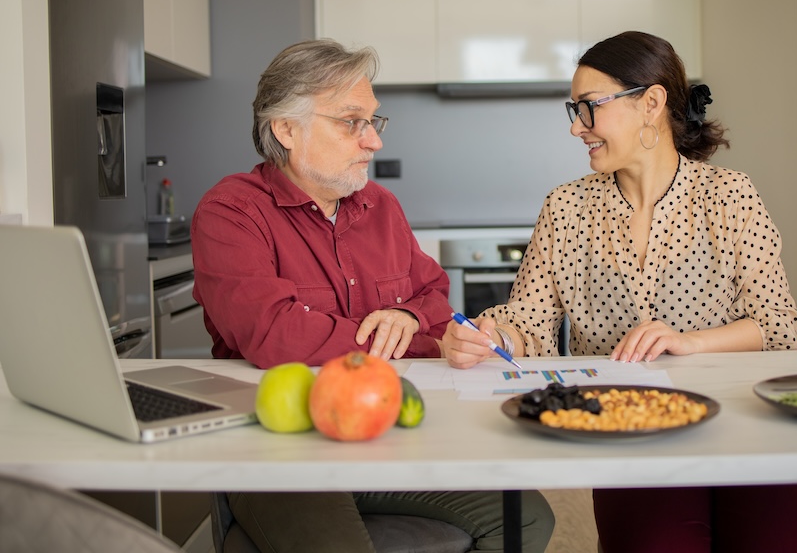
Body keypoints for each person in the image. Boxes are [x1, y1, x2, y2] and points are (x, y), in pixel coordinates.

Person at [440, 31, 797, 553]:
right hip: (634, 436)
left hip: (751, 426)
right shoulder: (566, 208)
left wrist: (689, 341)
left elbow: (781, 326)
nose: (577, 128)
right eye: (573, 111)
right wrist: (492, 335)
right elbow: (528, 322)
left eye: (588, 108)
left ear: (650, 104)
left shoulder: (730, 195)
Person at [192, 38, 554, 553]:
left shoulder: (381, 206)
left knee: (529, 520)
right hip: (281, 450)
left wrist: (407, 313)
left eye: (373, 122)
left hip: (384, 436)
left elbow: (433, 292)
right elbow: (272, 332)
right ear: (286, 129)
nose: (373, 142)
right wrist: (411, 340)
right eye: (351, 122)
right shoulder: (231, 213)